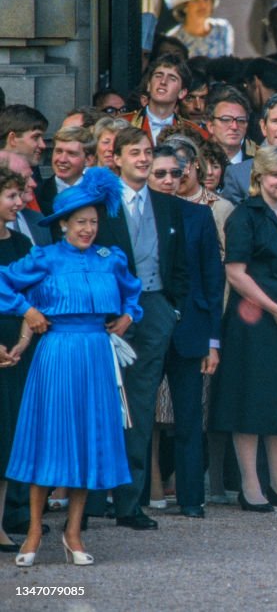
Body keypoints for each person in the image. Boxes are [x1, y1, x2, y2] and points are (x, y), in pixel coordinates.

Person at [3, 167, 142, 566]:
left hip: (96, 352)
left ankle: (74, 532)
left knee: (89, 438)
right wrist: (27, 309)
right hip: (57, 352)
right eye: (80, 222)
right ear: (63, 224)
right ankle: (32, 530)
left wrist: (129, 317)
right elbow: (3, 283)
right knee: (49, 438)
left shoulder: (109, 258)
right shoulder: (43, 257)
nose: (88, 229)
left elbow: (135, 296)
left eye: (93, 222)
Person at [84, 128, 187, 532]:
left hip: (154, 311)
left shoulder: (167, 205)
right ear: (117, 159)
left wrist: (170, 310)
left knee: (140, 409)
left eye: (148, 151)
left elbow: (178, 264)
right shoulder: (99, 206)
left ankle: (130, 503)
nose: (144, 158)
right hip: (106, 320)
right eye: (135, 152)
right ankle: (89, 503)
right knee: (99, 405)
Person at [209, 146, 277, 513]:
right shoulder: (245, 216)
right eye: (276, 175)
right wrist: (274, 309)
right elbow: (236, 272)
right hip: (253, 320)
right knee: (250, 399)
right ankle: (250, 485)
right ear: (259, 177)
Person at [146, 144, 224, 518]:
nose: (167, 180)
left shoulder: (199, 216)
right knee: (139, 416)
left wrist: (213, 340)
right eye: (159, 173)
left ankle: (192, 498)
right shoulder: (134, 214)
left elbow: (212, 279)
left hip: (191, 327)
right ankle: (133, 498)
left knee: (190, 418)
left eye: (174, 173)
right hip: (145, 326)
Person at [0, 167, 32, 554]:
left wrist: (21, 343)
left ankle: (1, 524)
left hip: (16, 353)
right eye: (10, 196)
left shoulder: (23, 246)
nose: (19, 203)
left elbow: (34, 299)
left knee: (7, 438)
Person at [164, 0, 233, 58]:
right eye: (196, 0)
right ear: (185, 6)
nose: (202, 5)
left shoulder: (222, 29)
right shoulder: (173, 39)